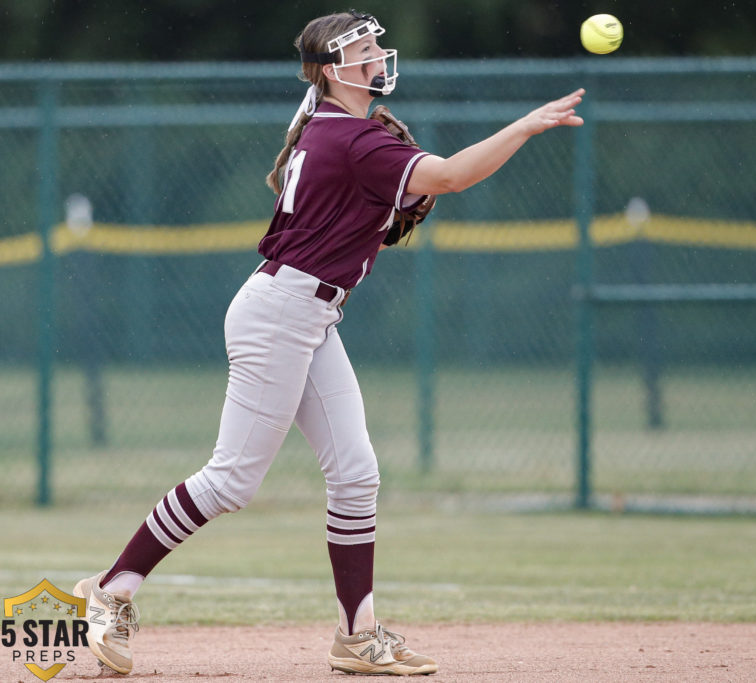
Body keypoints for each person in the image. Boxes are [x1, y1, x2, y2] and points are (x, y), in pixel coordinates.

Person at [73, 10, 585, 676]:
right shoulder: (351, 138)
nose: (380, 55)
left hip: (307, 314)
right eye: (366, 48)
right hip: (280, 313)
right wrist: (524, 124)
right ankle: (109, 589)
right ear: (332, 70)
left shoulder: (331, 128)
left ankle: (356, 634)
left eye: (376, 44)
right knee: (231, 478)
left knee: (355, 473)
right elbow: (453, 176)